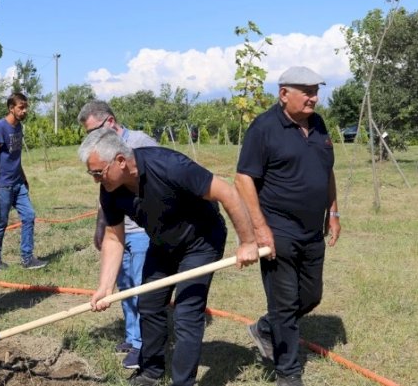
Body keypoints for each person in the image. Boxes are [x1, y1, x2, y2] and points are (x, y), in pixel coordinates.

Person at [79, 128, 260, 386]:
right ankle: (151, 372)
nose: (96, 179)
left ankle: (182, 382)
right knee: (149, 304)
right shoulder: (111, 189)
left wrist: (249, 242)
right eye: (92, 173)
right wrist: (105, 287)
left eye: (98, 172)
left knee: (187, 312)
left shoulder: (169, 166)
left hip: (201, 240)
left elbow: (227, 192)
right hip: (163, 242)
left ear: (120, 161)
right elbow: (113, 237)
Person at [235, 66, 341, 386]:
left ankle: (265, 328)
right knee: (283, 304)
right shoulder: (264, 128)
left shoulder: (319, 124)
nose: (314, 98)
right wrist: (260, 229)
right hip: (277, 229)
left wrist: (333, 213)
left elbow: (327, 171)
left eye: (315, 91)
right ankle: (288, 372)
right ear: (284, 94)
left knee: (310, 297)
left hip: (312, 230)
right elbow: (242, 179)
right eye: (306, 91)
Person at [77, 100, 156, 369]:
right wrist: (100, 228)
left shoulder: (141, 142)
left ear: (110, 122)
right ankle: (132, 338)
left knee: (141, 286)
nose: (91, 138)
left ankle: (145, 345)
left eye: (94, 130)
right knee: (123, 286)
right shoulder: (100, 151)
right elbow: (105, 193)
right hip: (118, 230)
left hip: (143, 229)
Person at [0, 92, 47, 270]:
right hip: (3, 185)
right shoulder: (0, 128)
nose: (25, 111)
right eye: (21, 107)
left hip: (18, 183)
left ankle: (27, 258)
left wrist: (24, 178)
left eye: (26, 107)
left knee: (29, 215)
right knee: (1, 222)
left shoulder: (19, 128)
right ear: (11, 108)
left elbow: (15, 157)